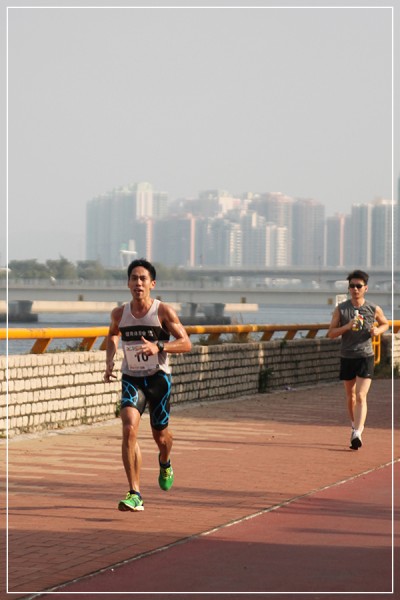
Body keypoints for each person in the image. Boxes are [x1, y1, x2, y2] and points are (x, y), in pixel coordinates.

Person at [103, 258, 192, 511]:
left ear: (152, 284)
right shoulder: (119, 313)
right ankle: (135, 493)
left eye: (143, 279)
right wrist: (109, 360)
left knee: (160, 437)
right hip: (132, 378)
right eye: (134, 278)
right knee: (129, 428)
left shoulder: (163, 312)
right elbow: (113, 334)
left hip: (158, 379)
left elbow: (186, 343)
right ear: (128, 283)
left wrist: (159, 346)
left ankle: (165, 461)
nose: (138, 283)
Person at [328, 269, 388, 450]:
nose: (355, 289)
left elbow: (385, 323)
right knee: (351, 396)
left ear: (365, 288)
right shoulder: (341, 309)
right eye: (352, 286)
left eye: (358, 286)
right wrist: (347, 326)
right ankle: (354, 425)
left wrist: (378, 330)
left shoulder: (373, 308)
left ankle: (358, 433)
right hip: (347, 356)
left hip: (365, 356)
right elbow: (331, 333)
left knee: (361, 395)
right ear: (348, 288)